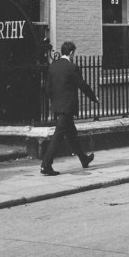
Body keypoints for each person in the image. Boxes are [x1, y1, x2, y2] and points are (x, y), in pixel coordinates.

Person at [40, 40, 99, 176]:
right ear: (71, 53)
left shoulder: (53, 66)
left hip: (57, 105)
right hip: (67, 107)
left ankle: (84, 159)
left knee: (71, 134)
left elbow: (47, 88)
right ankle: (46, 165)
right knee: (58, 135)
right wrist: (93, 97)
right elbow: (82, 85)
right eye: (74, 53)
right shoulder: (72, 67)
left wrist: (54, 101)